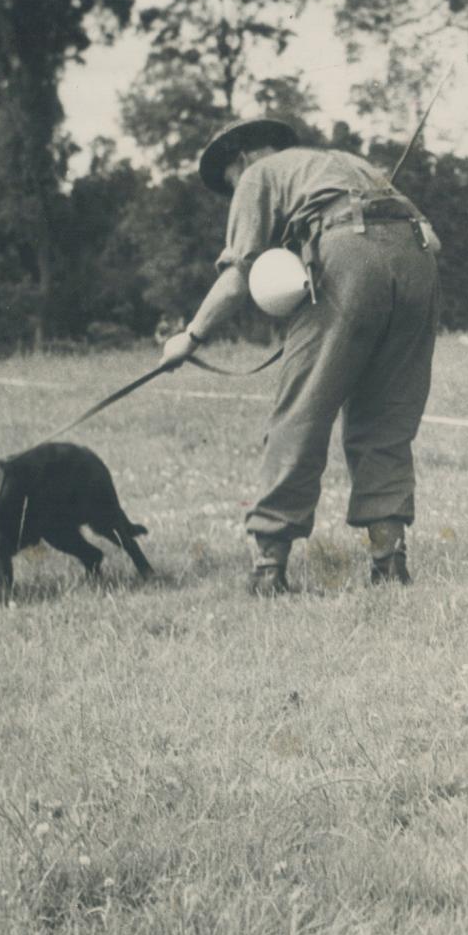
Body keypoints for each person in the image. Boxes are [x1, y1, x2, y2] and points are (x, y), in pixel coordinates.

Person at [159, 117, 440, 594]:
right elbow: (434, 238)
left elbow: (238, 276)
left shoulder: (256, 174)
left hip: (348, 255)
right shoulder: (346, 163)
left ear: (242, 158)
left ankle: (268, 569)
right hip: (418, 261)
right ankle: (389, 564)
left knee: (300, 414)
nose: (234, 194)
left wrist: (191, 335)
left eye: (228, 184)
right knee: (386, 417)